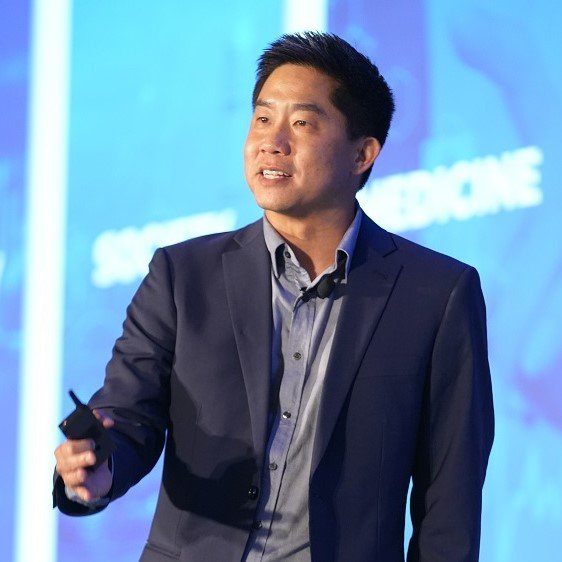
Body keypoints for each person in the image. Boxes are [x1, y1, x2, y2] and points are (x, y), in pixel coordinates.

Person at [54, 32, 494, 561]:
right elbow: (128, 417)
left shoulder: (436, 294)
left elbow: (450, 502)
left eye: (301, 123)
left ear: (362, 153)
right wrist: (98, 466)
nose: (272, 141)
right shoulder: (182, 274)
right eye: (262, 118)